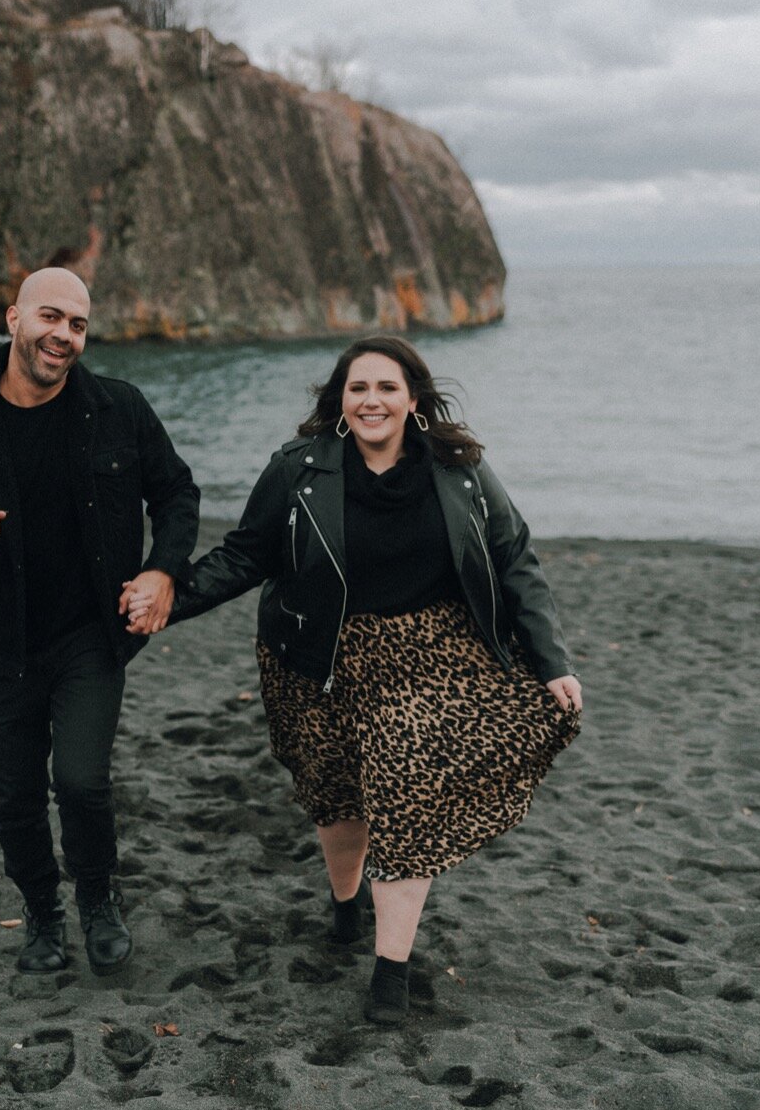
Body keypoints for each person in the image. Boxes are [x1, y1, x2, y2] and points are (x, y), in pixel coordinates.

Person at [123, 335, 580, 1024]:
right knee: (338, 798)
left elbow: (514, 556)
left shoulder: (460, 470)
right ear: (339, 400)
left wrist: (552, 660)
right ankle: (345, 904)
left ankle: (390, 970)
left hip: (432, 657)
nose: (372, 400)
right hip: (319, 655)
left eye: (386, 388)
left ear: (413, 400)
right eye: (358, 388)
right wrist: (165, 600)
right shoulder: (299, 470)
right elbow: (246, 556)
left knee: (404, 796)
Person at [0, 267, 199, 975]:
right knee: (15, 794)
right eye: (51, 317)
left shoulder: (120, 409)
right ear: (15, 318)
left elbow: (176, 491)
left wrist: (163, 568)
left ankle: (96, 896)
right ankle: (42, 911)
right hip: (1, 643)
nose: (64, 335)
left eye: (78, 324)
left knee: (82, 780)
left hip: (93, 631)